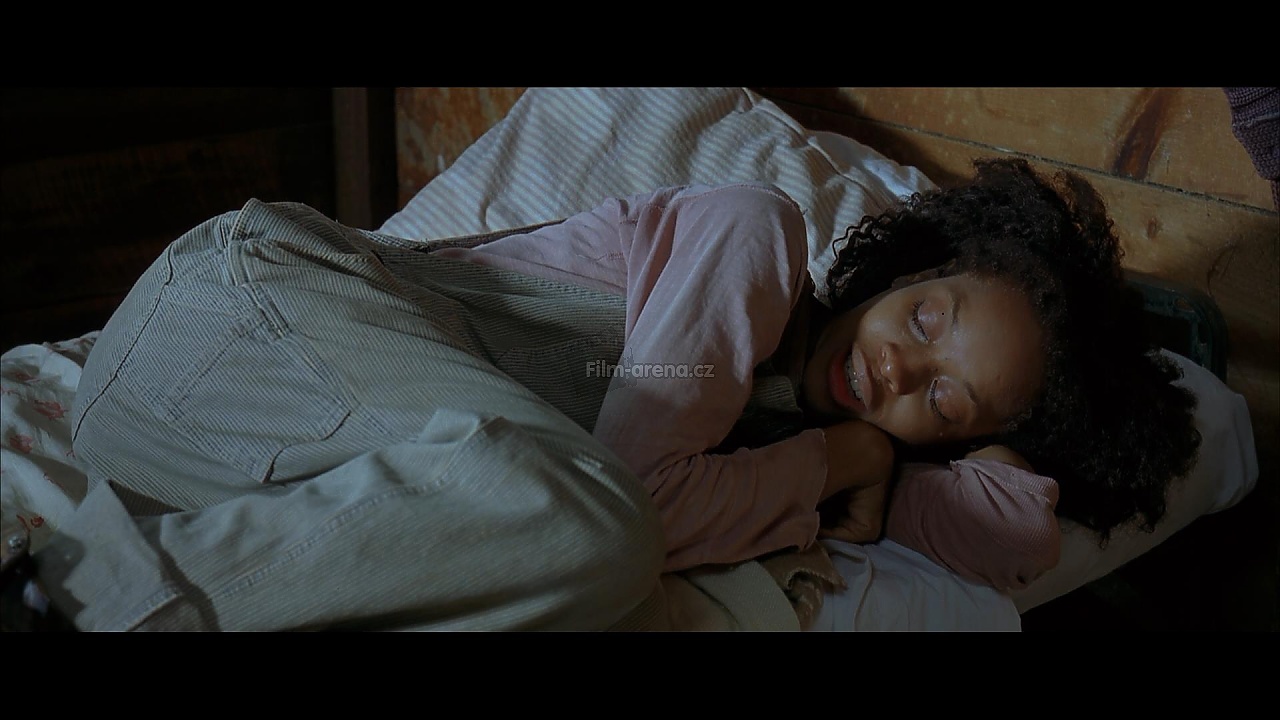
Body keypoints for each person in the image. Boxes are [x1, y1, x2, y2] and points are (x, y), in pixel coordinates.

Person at [31, 157, 1199, 631]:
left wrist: (902, 458)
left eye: (943, 401)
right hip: (236, 314)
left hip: (179, 455)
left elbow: (1006, 542)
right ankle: (76, 604)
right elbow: (633, 494)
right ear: (904, 272)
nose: (899, 367)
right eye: (925, 321)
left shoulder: (792, 431)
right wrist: (847, 459)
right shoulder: (752, 241)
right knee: (600, 527)